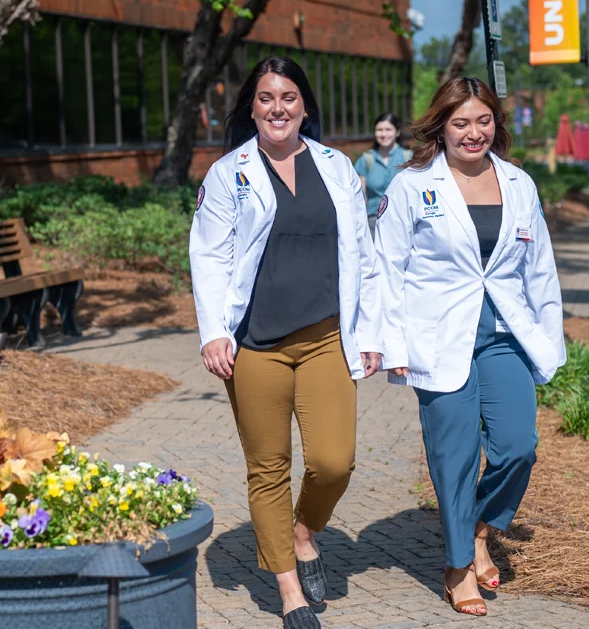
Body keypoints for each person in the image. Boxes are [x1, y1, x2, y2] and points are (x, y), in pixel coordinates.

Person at [189, 56, 383, 629]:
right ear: (251, 107)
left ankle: (303, 532)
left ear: (305, 106)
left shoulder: (336, 167)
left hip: (326, 336)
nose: (278, 108)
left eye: (289, 98)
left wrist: (369, 333)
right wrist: (214, 333)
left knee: (333, 461)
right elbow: (209, 256)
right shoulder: (228, 173)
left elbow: (363, 256)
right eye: (267, 98)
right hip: (254, 345)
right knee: (267, 467)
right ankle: (289, 589)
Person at [373, 77, 564, 617]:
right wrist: (390, 344)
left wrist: (550, 335)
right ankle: (458, 567)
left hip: (504, 334)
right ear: (442, 126)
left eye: (483, 121)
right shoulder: (412, 186)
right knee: (453, 458)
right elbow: (386, 268)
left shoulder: (519, 183)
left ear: (495, 125)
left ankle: (481, 529)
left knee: (517, 446)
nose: (473, 132)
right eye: (461, 123)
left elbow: (539, 265)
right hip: (438, 335)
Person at [354, 112, 412, 234]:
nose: (383, 134)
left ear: (397, 132)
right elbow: (360, 197)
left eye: (388, 129)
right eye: (379, 130)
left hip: (402, 222)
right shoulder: (366, 159)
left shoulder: (408, 157)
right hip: (373, 223)